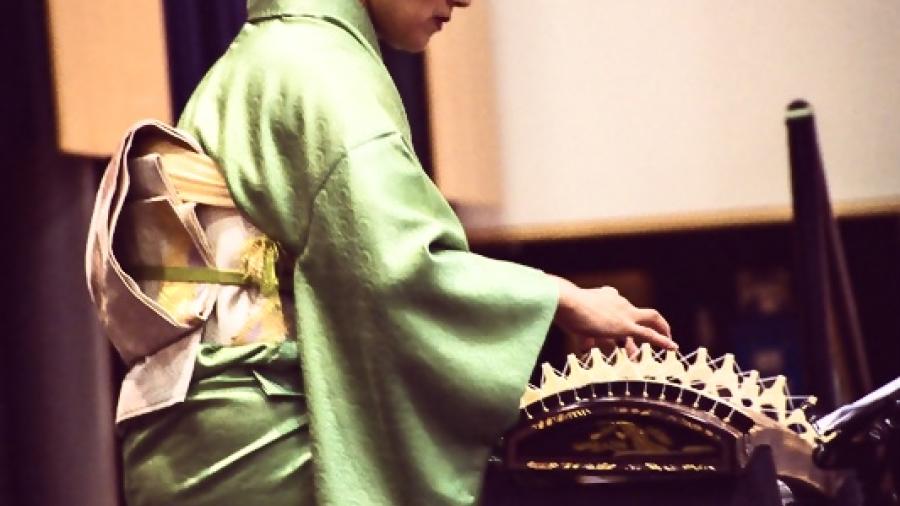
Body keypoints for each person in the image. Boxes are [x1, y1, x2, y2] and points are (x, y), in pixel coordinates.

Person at [87, 1, 675, 505]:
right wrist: (561, 297)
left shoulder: (260, 57)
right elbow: (397, 273)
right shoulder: (319, 68)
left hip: (207, 431)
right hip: (271, 447)